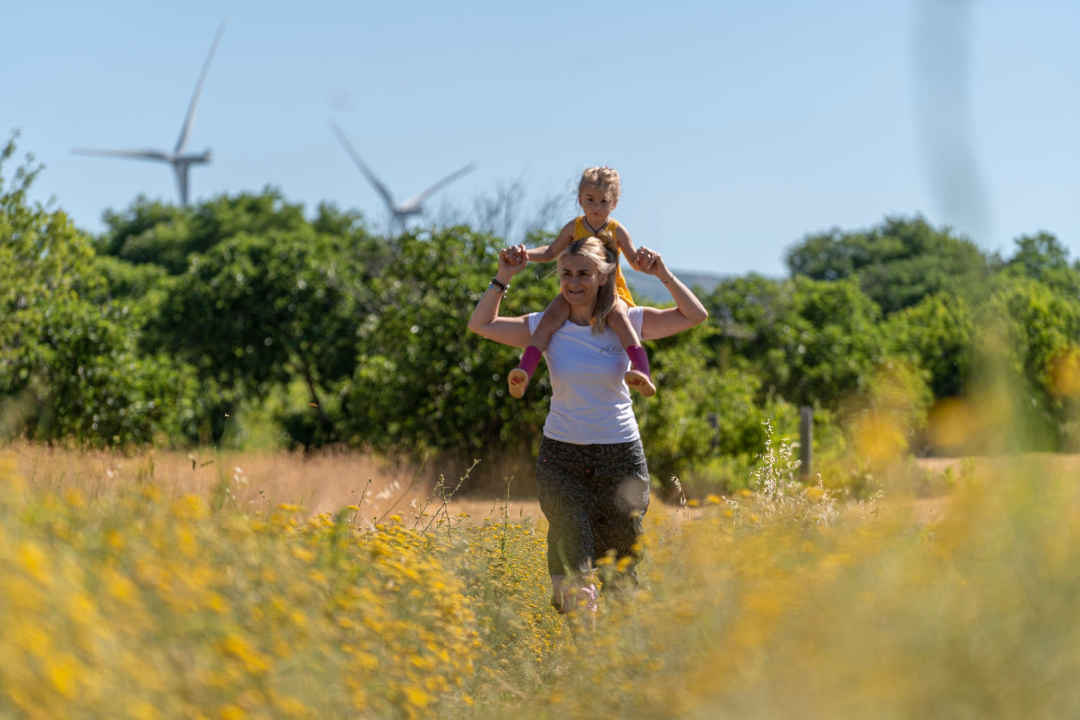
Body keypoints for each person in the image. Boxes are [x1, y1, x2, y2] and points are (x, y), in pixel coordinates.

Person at [467, 236, 708, 615]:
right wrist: (503, 276)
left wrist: (662, 274)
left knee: (622, 563)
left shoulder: (628, 319)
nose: (573, 282)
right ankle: (581, 643)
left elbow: (695, 316)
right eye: (566, 273)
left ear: (603, 276)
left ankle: (615, 653)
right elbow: (480, 323)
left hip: (620, 456)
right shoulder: (545, 325)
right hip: (561, 457)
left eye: (583, 273)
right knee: (572, 550)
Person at [502, 166, 657, 400]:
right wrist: (527, 254)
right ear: (580, 200)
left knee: (620, 319)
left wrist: (644, 259)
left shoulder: (616, 230)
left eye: (603, 201)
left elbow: (634, 261)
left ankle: (642, 372)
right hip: (576, 291)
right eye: (590, 199)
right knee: (549, 319)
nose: (596, 206)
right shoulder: (574, 227)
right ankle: (524, 371)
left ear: (614, 202)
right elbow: (551, 251)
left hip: (610, 290)